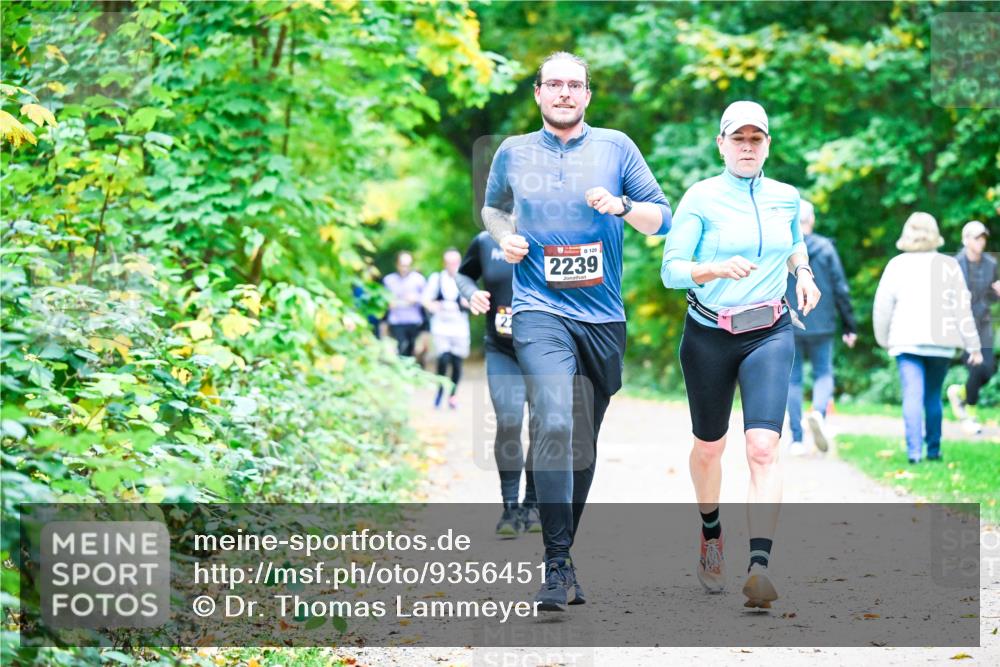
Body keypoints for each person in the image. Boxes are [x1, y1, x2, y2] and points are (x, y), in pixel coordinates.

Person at [481, 51, 671, 611]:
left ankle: (565, 558)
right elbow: (492, 210)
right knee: (556, 421)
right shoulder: (513, 152)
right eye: (554, 84)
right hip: (539, 310)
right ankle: (556, 565)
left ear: (588, 95)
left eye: (575, 85)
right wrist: (504, 237)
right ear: (538, 93)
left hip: (604, 317)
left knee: (581, 444)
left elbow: (662, 218)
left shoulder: (617, 148)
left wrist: (622, 205)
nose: (565, 92)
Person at [661, 100, 821, 609]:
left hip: (768, 332)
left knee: (763, 447)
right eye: (739, 139)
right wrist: (713, 269)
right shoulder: (700, 198)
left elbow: (792, 242)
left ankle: (759, 567)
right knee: (710, 447)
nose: (748, 147)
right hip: (709, 334)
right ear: (722, 145)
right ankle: (711, 533)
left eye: (757, 139)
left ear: (768, 144)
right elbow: (671, 271)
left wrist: (804, 272)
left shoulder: (786, 196)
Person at [873, 212, 982, 464]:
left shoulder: (896, 265)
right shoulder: (949, 265)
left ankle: (914, 454)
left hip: (906, 341)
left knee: (913, 394)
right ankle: (933, 450)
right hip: (940, 343)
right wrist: (973, 345)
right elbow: (962, 309)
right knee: (932, 396)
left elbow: (882, 308)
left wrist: (883, 338)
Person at [455, 231, 540, 536]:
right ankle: (510, 508)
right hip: (502, 350)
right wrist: (470, 293)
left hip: (544, 349)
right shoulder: (485, 241)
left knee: (542, 424)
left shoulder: (551, 233)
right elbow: (464, 275)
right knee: (508, 420)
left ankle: (533, 505)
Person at [783, 200, 858, 455]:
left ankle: (795, 439)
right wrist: (850, 326)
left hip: (790, 323)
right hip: (822, 322)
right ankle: (818, 414)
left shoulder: (783, 249)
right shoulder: (826, 248)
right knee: (823, 373)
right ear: (811, 220)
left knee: (792, 380)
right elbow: (840, 288)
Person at [946, 220, 998, 434]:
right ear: (965, 240)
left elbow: (992, 296)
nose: (981, 242)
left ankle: (959, 393)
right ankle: (971, 415)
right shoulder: (954, 264)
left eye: (983, 237)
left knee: (989, 369)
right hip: (963, 324)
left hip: (983, 323)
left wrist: (996, 293)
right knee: (975, 368)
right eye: (977, 237)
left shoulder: (991, 264)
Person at [422, 248, 471, 409]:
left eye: (455, 263)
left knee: (457, 363)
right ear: (444, 264)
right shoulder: (437, 279)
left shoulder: (466, 279)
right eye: (450, 263)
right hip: (441, 326)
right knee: (443, 359)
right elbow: (425, 300)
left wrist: (467, 304)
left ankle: (453, 395)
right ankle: (440, 390)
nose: (453, 266)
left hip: (459, 326)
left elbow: (475, 300)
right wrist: (433, 305)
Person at [383, 251, 426, 357]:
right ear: (397, 264)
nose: (405, 268)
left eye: (408, 265)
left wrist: (416, 298)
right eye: (402, 265)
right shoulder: (389, 280)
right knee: (401, 349)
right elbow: (383, 301)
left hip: (415, 322)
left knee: (414, 353)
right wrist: (388, 303)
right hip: (396, 322)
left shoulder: (419, 280)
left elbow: (428, 300)